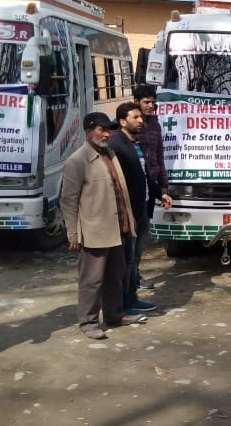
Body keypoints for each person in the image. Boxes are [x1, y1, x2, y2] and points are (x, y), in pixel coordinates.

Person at [61, 112, 140, 340]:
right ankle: (88, 322)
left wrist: (129, 221)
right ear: (88, 131)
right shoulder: (77, 161)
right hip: (93, 231)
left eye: (109, 130)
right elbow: (68, 200)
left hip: (117, 228)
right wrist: (73, 234)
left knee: (116, 276)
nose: (106, 134)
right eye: (101, 130)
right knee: (92, 280)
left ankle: (114, 316)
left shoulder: (110, 154)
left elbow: (120, 191)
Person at [110, 102, 168, 320]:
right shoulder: (116, 145)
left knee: (135, 258)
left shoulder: (137, 143)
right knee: (126, 259)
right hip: (128, 212)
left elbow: (144, 176)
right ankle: (123, 305)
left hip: (143, 208)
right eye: (135, 117)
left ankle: (133, 298)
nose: (141, 120)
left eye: (140, 117)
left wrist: (160, 193)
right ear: (122, 121)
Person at [133, 85, 172, 290]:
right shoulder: (126, 125)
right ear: (136, 102)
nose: (151, 106)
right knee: (131, 238)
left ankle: (135, 275)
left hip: (151, 188)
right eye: (146, 102)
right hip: (133, 189)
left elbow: (159, 158)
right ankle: (128, 279)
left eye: (153, 102)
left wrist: (163, 187)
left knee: (141, 237)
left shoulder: (155, 125)